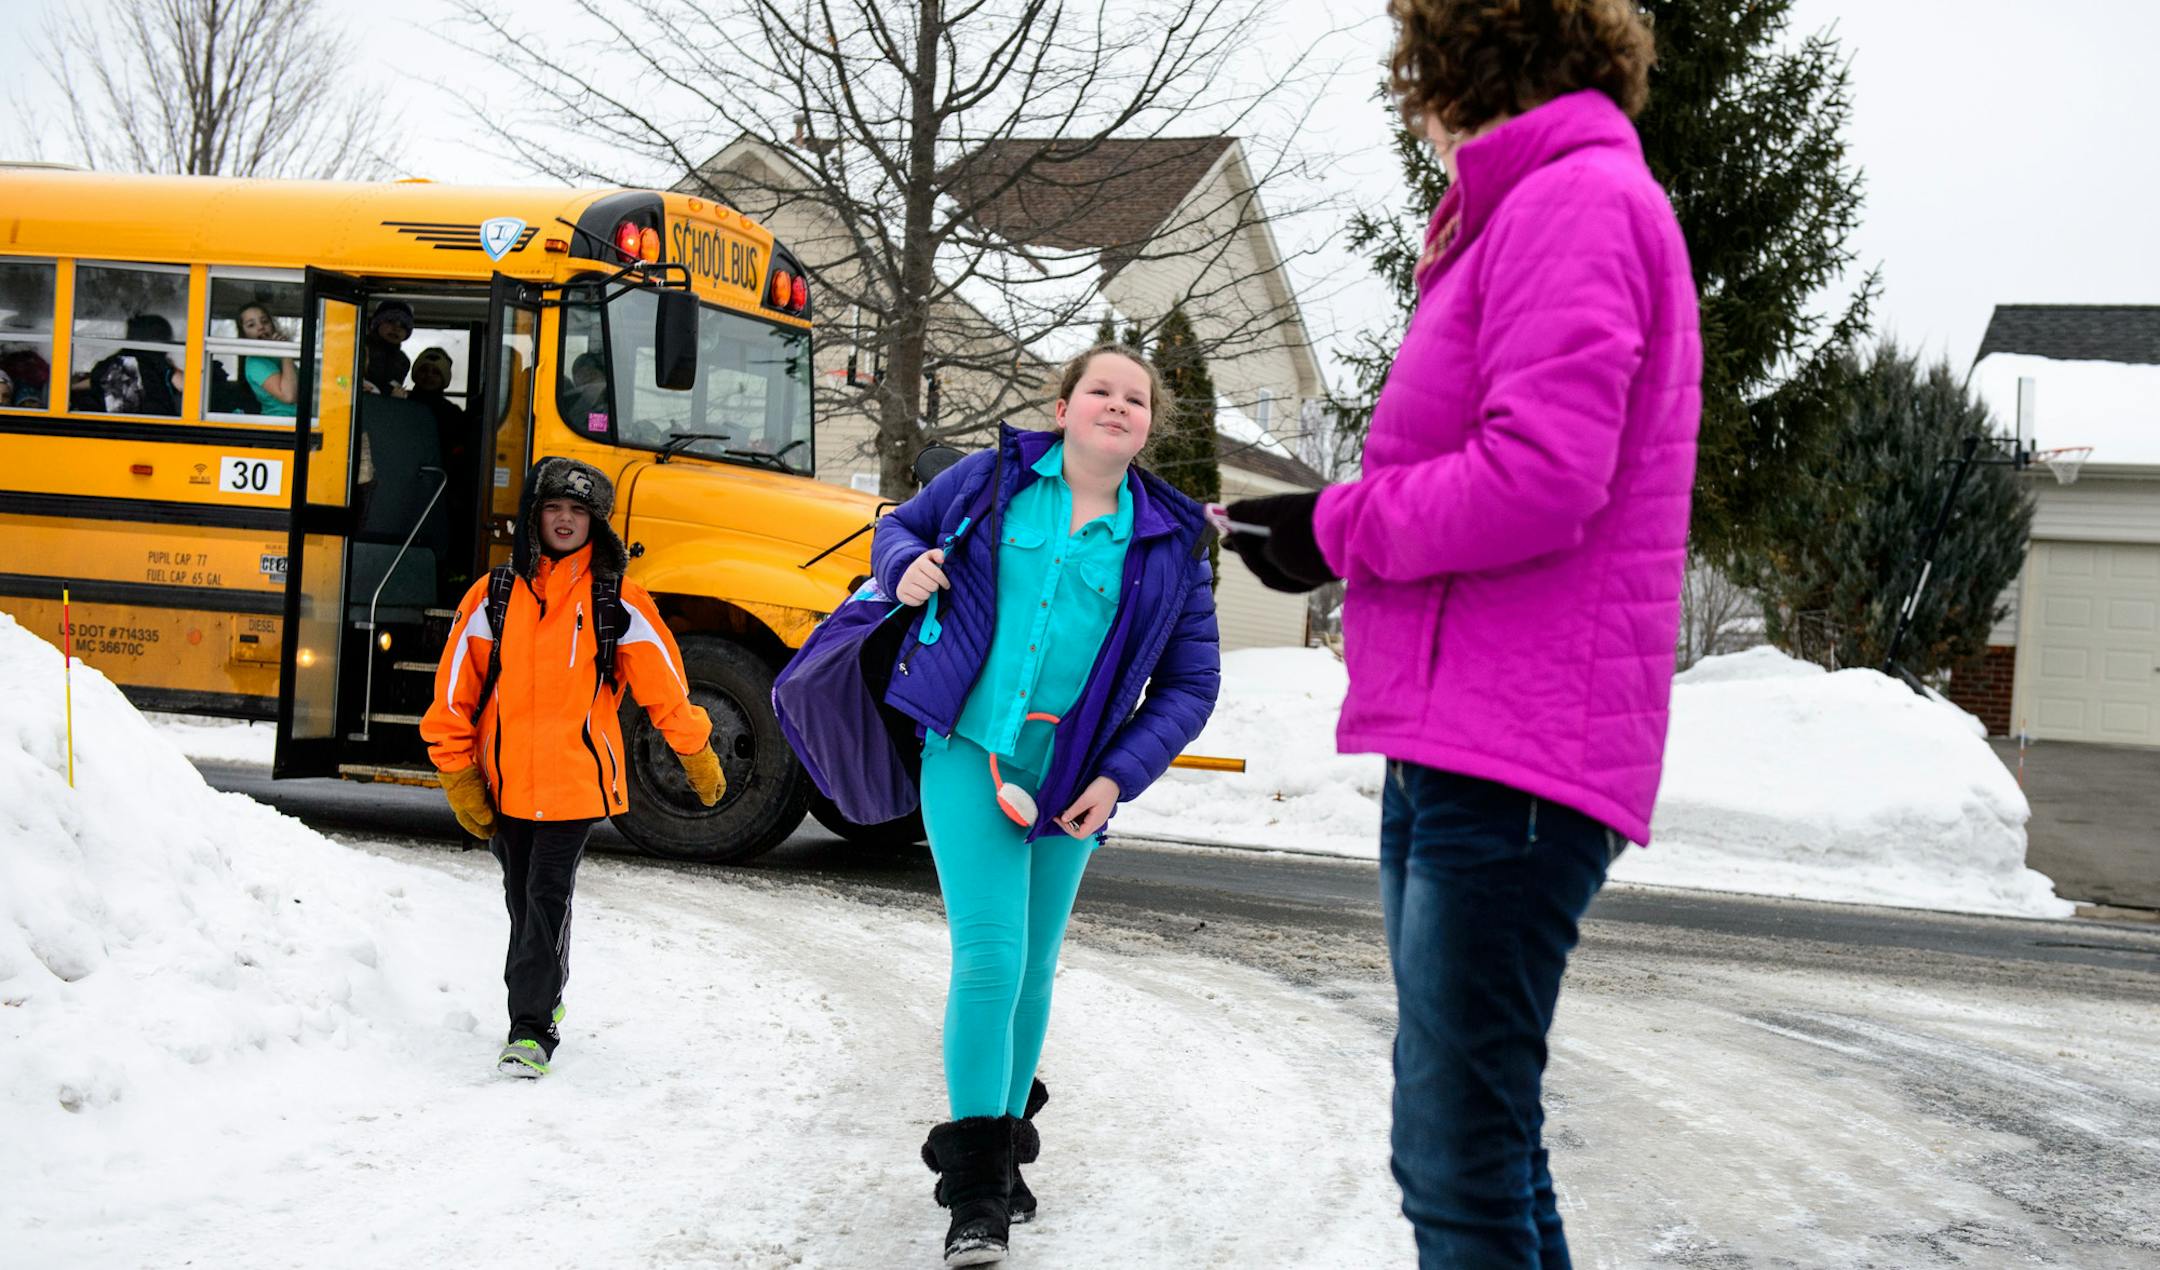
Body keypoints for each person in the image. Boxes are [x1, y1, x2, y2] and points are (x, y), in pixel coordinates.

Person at [1219, 2, 1701, 1265]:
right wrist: (1325, 524)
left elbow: (1542, 473)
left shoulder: (1574, 203)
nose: (1411, 102)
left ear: (1465, 62)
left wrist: (1333, 527)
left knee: (1454, 1159)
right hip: (1467, 738)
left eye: (1416, 72)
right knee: (1484, 1147)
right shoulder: (1529, 209)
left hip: (1514, 755)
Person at [872, 344, 1221, 1266]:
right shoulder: (990, 482)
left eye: (1135, 399)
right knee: (990, 958)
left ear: (1150, 425)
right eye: (1099, 391)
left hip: (1076, 781)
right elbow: (895, 531)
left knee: (1034, 970)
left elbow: (1191, 684)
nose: (1117, 406)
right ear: (1063, 408)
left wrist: (1117, 779)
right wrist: (906, 565)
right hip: (968, 751)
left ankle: (1005, 1152)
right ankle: (977, 1190)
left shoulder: (1171, 541)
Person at [419, 457, 727, 1077]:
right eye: (553, 508)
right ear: (534, 517)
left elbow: (665, 688)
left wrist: (695, 753)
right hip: (504, 785)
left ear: (596, 524)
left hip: (575, 786)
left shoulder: (619, 601)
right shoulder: (492, 596)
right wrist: (459, 774)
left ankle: (529, 1031)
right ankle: (541, 1001)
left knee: (545, 898)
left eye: (578, 511)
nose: (565, 520)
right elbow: (454, 692)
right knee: (519, 900)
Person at [71, 314, 184, 416]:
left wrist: (70, 388)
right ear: (160, 340)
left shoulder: (110, 364)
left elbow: (94, 381)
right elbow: (184, 385)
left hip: (108, 429)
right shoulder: (159, 365)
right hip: (155, 429)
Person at [237, 303, 298, 416]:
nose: (261, 327)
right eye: (251, 325)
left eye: (265, 321)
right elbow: (289, 396)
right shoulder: (255, 362)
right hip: (282, 422)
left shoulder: (276, 354)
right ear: (244, 334)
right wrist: (287, 352)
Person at [362, 299, 414, 396]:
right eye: (390, 321)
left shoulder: (403, 361)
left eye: (403, 325)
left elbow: (394, 385)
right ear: (377, 324)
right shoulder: (359, 349)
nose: (396, 328)